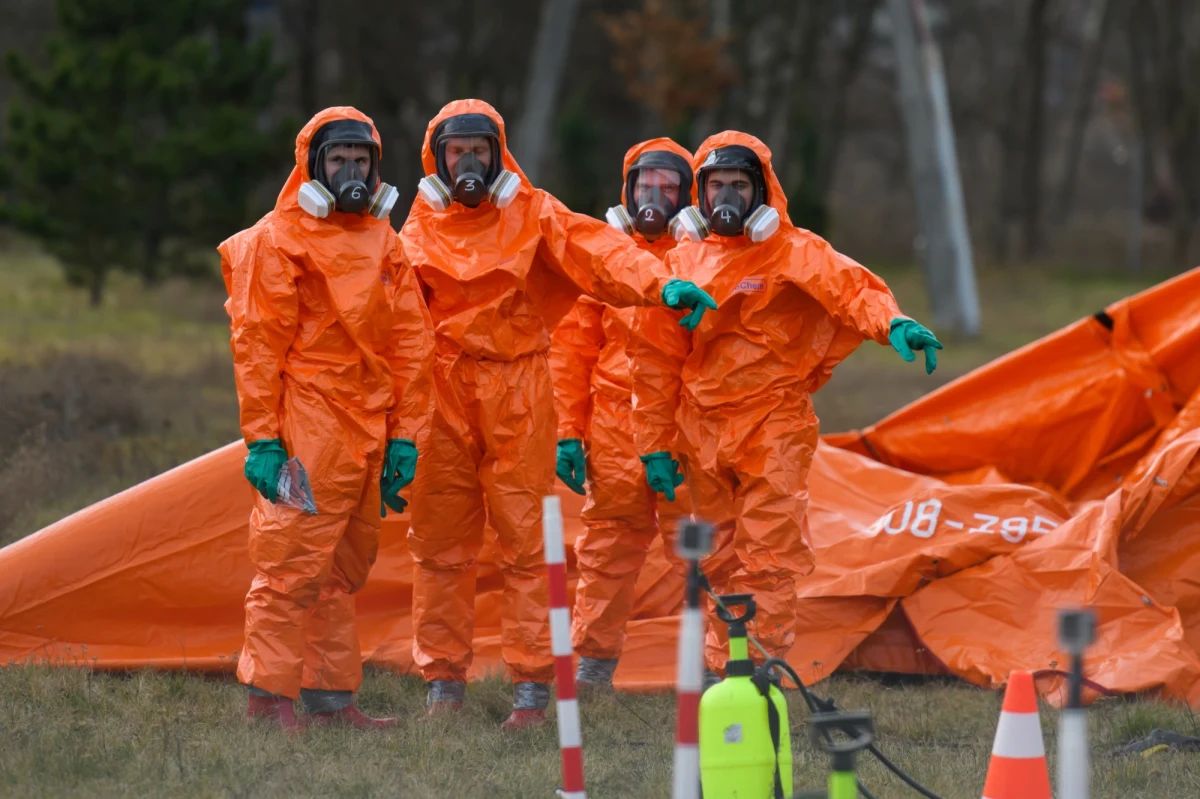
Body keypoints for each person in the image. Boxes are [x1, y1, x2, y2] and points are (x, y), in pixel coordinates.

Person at [400, 100, 717, 729]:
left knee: (528, 546)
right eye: (457, 151)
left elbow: (600, 250)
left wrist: (658, 285)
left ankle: (531, 691)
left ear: (499, 155)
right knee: (438, 546)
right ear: (437, 158)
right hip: (440, 394)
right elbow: (386, 327)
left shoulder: (535, 214)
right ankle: (442, 684)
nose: (469, 163)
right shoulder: (414, 229)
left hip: (518, 390)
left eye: (480, 151)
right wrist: (393, 428)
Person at [632, 132, 943, 683]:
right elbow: (654, 361)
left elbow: (851, 290)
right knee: (715, 557)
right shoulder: (679, 263)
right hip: (700, 428)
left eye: (739, 186)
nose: (727, 198)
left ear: (761, 192)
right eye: (717, 186)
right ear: (700, 196)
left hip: (773, 421)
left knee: (770, 553)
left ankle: (758, 672)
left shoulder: (794, 251)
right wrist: (654, 444)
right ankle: (720, 670)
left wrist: (892, 322)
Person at [218, 107, 433, 731]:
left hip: (366, 427)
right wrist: (262, 438)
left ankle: (332, 702)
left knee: (339, 572)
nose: (351, 172)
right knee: (289, 566)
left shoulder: (383, 239)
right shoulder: (277, 240)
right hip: (308, 423)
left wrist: (405, 437)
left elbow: (411, 344)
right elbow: (257, 346)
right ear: (313, 166)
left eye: (360, 161)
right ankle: (268, 700)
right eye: (338, 161)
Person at [549, 138, 696, 689]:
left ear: (686, 196)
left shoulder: (704, 257)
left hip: (686, 427)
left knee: (700, 549)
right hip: (613, 426)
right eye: (644, 184)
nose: (653, 196)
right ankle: (593, 668)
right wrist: (568, 429)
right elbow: (572, 350)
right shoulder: (603, 261)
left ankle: (717, 667)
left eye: (667, 186)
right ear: (627, 191)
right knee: (607, 550)